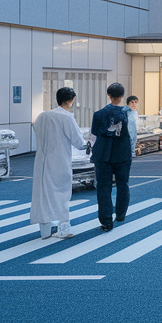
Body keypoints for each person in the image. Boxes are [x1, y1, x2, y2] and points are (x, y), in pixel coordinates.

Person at [30, 87, 87, 239]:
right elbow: (78, 142)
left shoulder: (43, 116)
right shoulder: (67, 117)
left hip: (42, 161)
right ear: (71, 100)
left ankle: (45, 230)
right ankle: (64, 227)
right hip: (60, 161)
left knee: (43, 194)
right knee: (62, 194)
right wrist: (90, 144)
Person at [91, 82, 133, 232]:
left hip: (103, 154)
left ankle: (106, 220)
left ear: (108, 95)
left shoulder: (98, 114)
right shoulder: (128, 114)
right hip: (122, 153)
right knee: (123, 184)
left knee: (103, 187)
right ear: (122, 96)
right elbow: (132, 134)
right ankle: (121, 214)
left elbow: (94, 134)